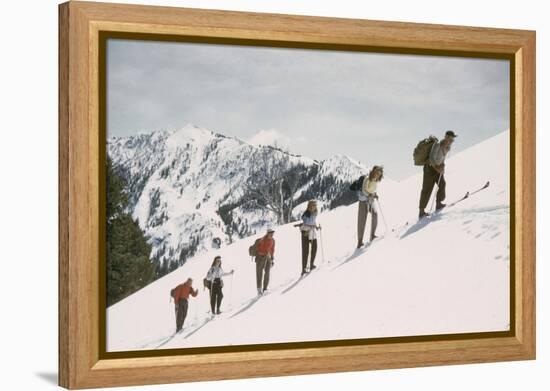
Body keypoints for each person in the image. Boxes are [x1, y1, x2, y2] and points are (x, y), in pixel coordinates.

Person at [418, 130, 457, 218]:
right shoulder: (437, 144)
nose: (452, 141)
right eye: (451, 139)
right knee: (427, 189)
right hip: (429, 168)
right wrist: (438, 168)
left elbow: (442, 158)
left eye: (453, 139)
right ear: (446, 137)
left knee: (442, 184)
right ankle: (421, 211)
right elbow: (432, 158)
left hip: (438, 168)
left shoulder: (448, 147)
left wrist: (442, 166)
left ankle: (438, 203)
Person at [356, 165, 384, 248]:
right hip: (363, 201)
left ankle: (372, 235)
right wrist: (370, 195)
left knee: (375, 214)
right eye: (377, 173)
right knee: (362, 220)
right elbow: (364, 190)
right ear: (373, 172)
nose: (378, 175)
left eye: (379, 174)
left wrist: (375, 194)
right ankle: (360, 242)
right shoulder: (367, 178)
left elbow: (371, 190)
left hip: (370, 200)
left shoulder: (375, 181)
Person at [300, 200, 321, 275]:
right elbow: (305, 223)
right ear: (309, 206)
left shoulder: (315, 213)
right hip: (305, 232)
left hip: (312, 232)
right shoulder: (306, 214)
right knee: (305, 251)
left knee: (314, 247)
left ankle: (311, 264)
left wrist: (316, 227)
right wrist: (312, 226)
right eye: (313, 205)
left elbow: (313, 221)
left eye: (315, 205)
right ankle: (304, 269)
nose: (315, 207)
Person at [255, 228, 275, 295]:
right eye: (270, 233)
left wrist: (272, 259)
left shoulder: (273, 240)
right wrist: (261, 254)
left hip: (268, 257)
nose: (272, 234)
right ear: (267, 233)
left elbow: (272, 250)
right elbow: (258, 249)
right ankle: (259, 289)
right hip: (260, 257)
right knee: (259, 273)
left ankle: (265, 288)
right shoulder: (262, 240)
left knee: (267, 273)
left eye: (272, 233)